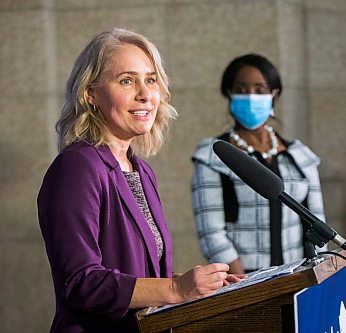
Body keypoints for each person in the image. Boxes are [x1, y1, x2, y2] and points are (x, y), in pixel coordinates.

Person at [37, 28, 242, 333]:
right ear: (90, 93)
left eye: (150, 80)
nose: (145, 94)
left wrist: (199, 286)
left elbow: (139, 273)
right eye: (127, 81)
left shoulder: (140, 171)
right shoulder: (77, 167)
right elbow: (81, 281)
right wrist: (175, 289)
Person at [191, 53, 327, 274]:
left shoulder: (299, 156)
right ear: (229, 94)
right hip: (244, 281)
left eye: (259, 90)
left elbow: (317, 222)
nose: (251, 97)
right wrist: (244, 285)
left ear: (274, 95)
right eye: (242, 90)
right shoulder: (213, 155)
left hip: (298, 277)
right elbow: (211, 232)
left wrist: (317, 274)